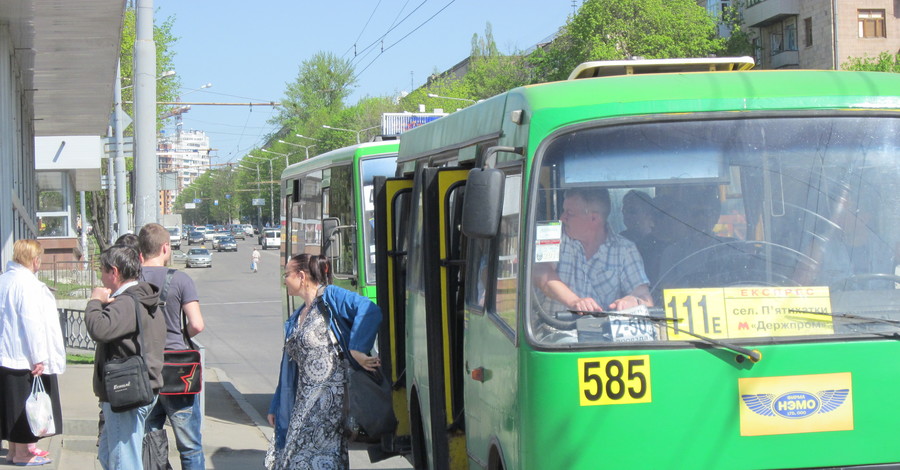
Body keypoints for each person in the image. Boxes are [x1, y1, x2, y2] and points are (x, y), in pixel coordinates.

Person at [267, 254, 382, 470]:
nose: (284, 280)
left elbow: (369, 310)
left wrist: (357, 348)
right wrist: (276, 404)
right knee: (289, 462)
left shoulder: (330, 296)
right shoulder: (297, 316)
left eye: (287, 274)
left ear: (301, 276)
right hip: (303, 407)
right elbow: (290, 367)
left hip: (330, 409)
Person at [85, 245, 165, 470]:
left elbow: (99, 329)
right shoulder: (141, 298)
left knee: (123, 461)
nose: (100, 277)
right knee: (110, 455)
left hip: (126, 394)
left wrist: (95, 301)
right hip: (139, 389)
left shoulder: (127, 303)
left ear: (114, 272)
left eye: (102, 271)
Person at [138, 223, 206, 470]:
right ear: (165, 247)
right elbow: (197, 324)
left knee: (150, 439)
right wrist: (181, 334)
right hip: (178, 372)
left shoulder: (132, 280)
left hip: (144, 370)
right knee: (190, 446)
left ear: (140, 250)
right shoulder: (180, 279)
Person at [534, 188, 652, 315]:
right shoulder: (552, 237)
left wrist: (632, 300)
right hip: (553, 329)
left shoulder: (625, 249)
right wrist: (575, 302)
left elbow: (644, 297)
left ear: (594, 219)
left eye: (570, 213)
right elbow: (541, 273)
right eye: (564, 211)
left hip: (604, 332)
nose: (562, 218)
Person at [0, 240, 65, 466]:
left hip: (7, 354)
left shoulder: (5, 280)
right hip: (23, 356)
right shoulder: (26, 284)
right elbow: (31, 321)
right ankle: (22, 454)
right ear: (34, 259)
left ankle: (14, 451)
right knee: (24, 406)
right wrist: (39, 356)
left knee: (12, 404)